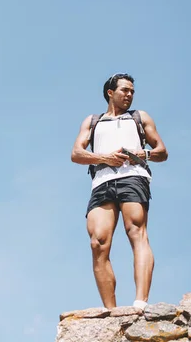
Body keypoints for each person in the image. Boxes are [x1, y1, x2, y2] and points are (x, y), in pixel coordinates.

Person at [71, 73, 168, 311]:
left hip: (133, 176)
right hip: (102, 181)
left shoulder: (139, 117)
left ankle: (140, 303)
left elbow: (162, 151)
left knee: (135, 231)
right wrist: (105, 157)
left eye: (132, 91)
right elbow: (76, 154)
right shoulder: (93, 121)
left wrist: (141, 153)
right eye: (125, 90)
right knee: (98, 242)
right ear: (110, 92)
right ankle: (111, 312)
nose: (130, 95)